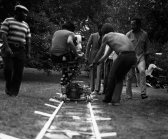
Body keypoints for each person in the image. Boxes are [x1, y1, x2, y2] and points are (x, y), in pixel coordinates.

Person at [90, 23, 137, 105]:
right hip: (133, 57)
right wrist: (97, 63)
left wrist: (94, 61)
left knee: (111, 76)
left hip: (124, 55)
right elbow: (106, 55)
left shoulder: (106, 36)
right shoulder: (118, 37)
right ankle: (116, 100)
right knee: (119, 77)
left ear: (103, 32)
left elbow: (101, 51)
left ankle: (107, 98)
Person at [0, 5, 31, 96]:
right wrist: (7, 47)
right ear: (17, 12)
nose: (26, 15)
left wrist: (28, 52)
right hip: (9, 47)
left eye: (26, 13)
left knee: (18, 72)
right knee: (8, 69)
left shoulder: (26, 25)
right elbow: (3, 34)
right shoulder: (8, 21)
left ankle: (13, 93)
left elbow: (28, 39)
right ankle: (8, 85)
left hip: (21, 50)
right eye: (24, 13)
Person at [125, 17, 150, 100]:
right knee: (129, 76)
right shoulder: (128, 34)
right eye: (131, 25)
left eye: (133, 25)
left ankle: (143, 93)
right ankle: (128, 95)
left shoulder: (144, 34)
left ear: (139, 25)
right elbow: (124, 47)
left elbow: (147, 48)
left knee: (142, 71)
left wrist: (147, 60)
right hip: (131, 57)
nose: (131, 26)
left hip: (141, 56)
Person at [85, 24, 103, 95]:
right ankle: (91, 89)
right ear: (98, 29)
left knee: (99, 72)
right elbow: (88, 46)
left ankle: (97, 89)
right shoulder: (93, 35)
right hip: (93, 56)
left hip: (101, 56)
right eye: (101, 29)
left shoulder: (105, 36)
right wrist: (86, 56)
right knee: (92, 73)